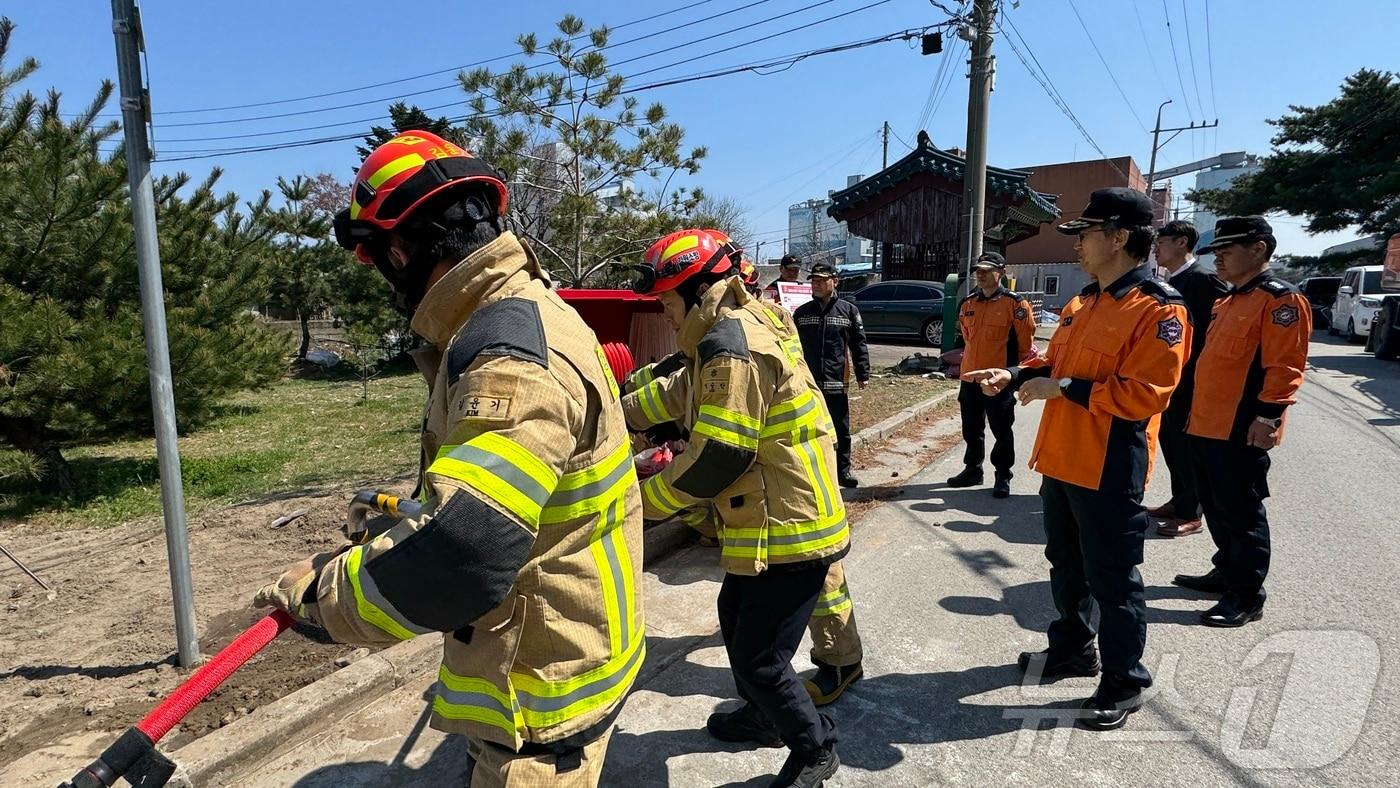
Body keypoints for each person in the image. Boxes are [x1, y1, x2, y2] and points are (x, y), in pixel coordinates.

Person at [253, 131, 645, 787]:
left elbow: (464, 554)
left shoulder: (504, 355)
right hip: (573, 651)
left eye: (379, 257)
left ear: (400, 249)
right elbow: (502, 500)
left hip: (542, 698)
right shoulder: (538, 312)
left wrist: (321, 597)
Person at [961, 188, 1189, 730]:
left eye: (1086, 235)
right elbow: (1051, 359)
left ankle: (1124, 679)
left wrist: (1059, 387)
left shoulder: (1159, 308)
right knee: (1066, 565)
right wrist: (1015, 374)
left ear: (1118, 237)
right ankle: (1072, 648)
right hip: (1062, 458)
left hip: (1108, 462)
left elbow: (1145, 393)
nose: (1078, 245)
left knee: (1113, 577)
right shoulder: (1083, 302)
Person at [630, 228, 846, 787]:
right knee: (735, 621)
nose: (664, 314)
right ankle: (764, 717)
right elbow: (681, 393)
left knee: (761, 658)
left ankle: (815, 746)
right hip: (766, 523)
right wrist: (610, 409)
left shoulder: (732, 345)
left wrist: (640, 504)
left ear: (697, 291)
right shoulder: (730, 334)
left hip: (790, 528)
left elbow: (718, 457)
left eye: (666, 302)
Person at [1173, 216, 1310, 627]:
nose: (1218, 258)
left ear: (1259, 249)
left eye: (1227, 250)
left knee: (1242, 512)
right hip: (1205, 423)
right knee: (1215, 505)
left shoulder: (1280, 301)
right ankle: (1226, 571)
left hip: (1239, 427)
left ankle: (1247, 595)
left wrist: (1268, 418)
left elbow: (1284, 366)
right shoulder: (1227, 301)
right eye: (1216, 250)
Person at [1146, 220, 1230, 537]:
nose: (1156, 247)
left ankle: (1192, 512)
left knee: (1189, 446)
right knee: (1172, 440)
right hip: (1171, 378)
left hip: (1194, 379)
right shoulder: (1171, 282)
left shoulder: (1204, 281)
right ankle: (1179, 500)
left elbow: (1219, 333)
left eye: (1162, 241)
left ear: (1182, 242)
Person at [946, 251, 1035, 498]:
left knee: (1001, 429)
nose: (981, 275)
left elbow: (1024, 344)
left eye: (987, 270)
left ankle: (1002, 475)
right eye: (978, 270)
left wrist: (1010, 372)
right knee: (971, 428)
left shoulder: (1015, 305)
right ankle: (973, 469)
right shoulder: (968, 304)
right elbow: (966, 337)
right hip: (970, 377)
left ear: (1001, 273)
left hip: (998, 380)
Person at [793, 262, 871, 488]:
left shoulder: (849, 311)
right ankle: (811, 470)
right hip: (808, 383)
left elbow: (859, 344)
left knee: (840, 429)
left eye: (821, 280)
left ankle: (842, 472)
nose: (816, 285)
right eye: (813, 281)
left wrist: (862, 372)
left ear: (834, 282)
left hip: (837, 382)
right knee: (808, 429)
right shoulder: (802, 313)